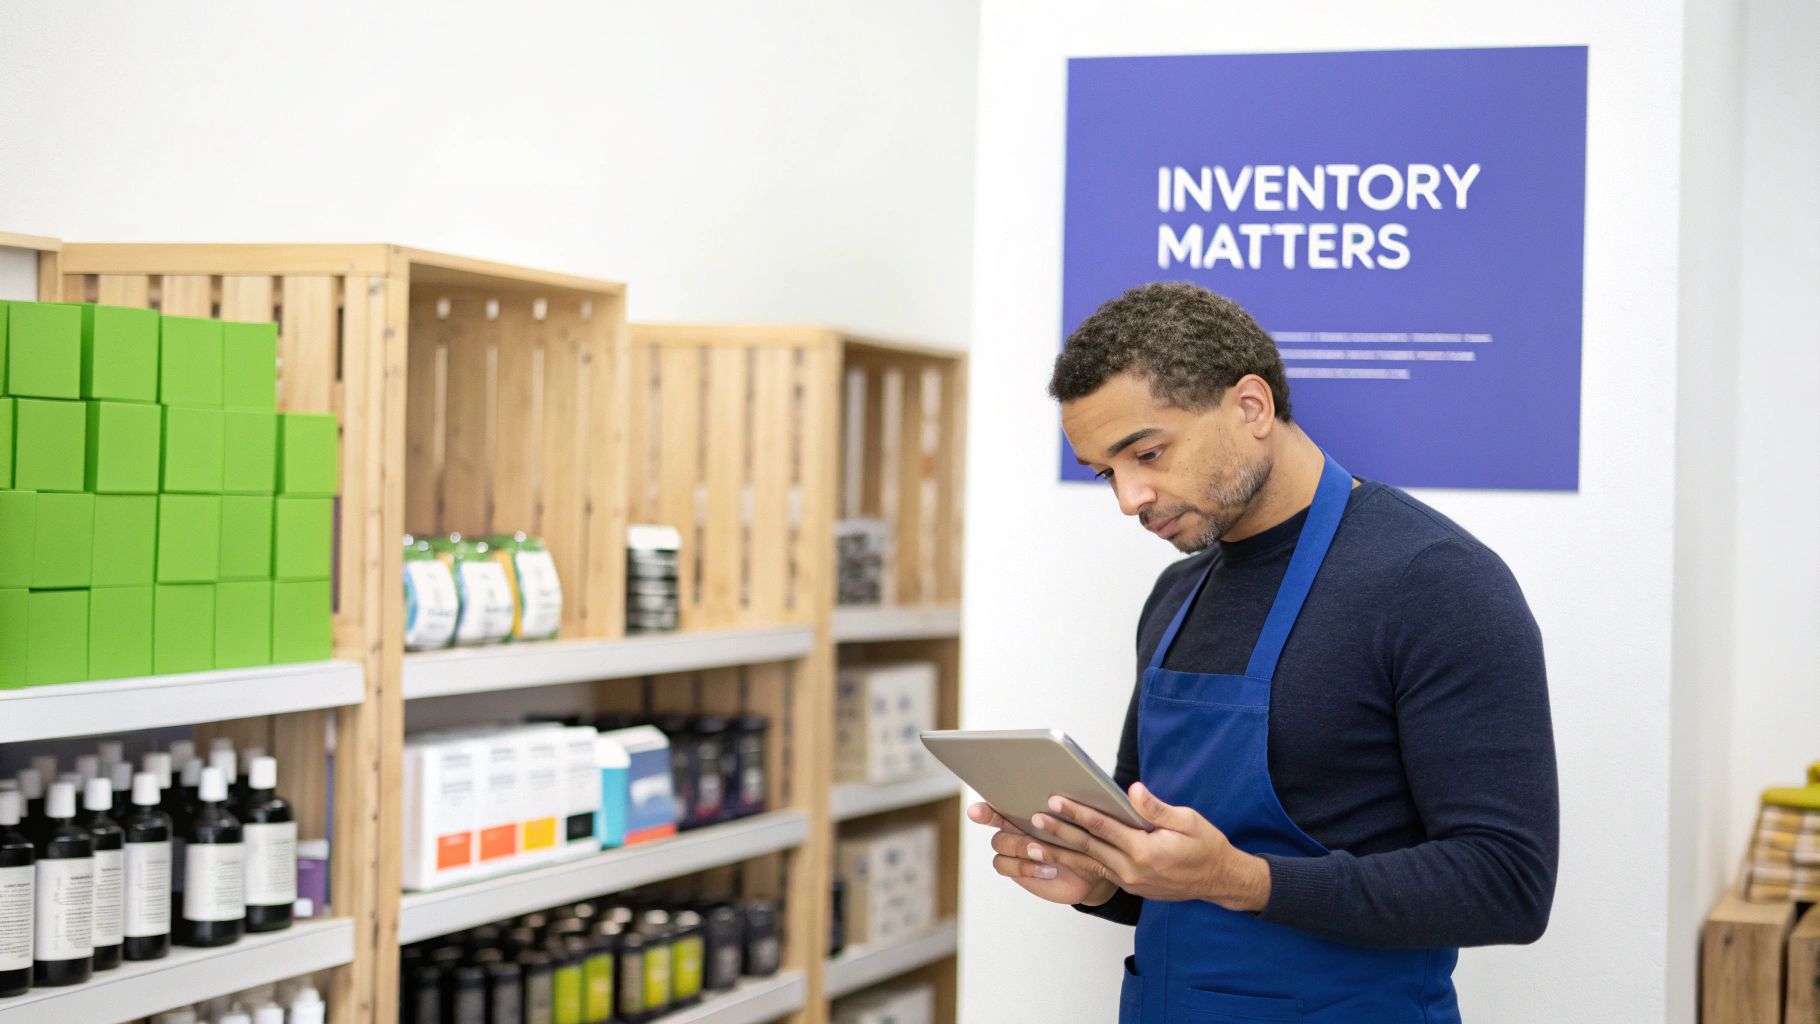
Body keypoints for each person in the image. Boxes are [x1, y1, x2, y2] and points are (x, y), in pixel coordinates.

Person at [969, 282, 1557, 1021]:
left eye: (1147, 453)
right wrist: (1102, 880)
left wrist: (1239, 878)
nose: (1129, 498)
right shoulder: (1175, 598)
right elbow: (1159, 861)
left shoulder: (1433, 581)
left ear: (1251, 407)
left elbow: (1508, 883)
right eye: (1107, 473)